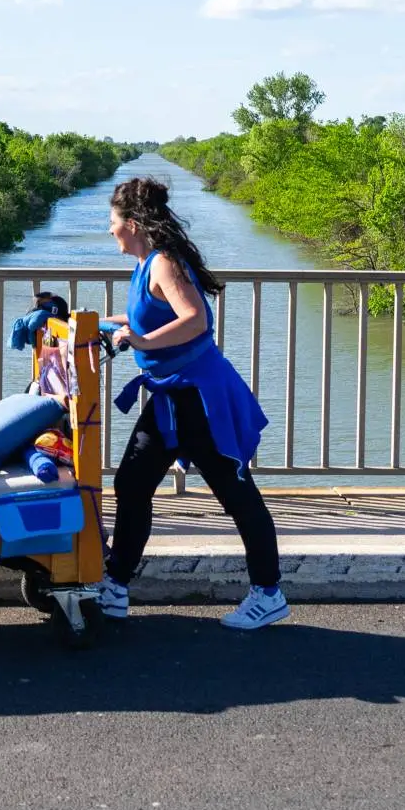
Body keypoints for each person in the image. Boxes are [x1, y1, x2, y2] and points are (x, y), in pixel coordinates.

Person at [99, 176, 287, 630]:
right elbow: (147, 316)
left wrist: (141, 341)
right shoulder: (146, 263)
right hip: (172, 398)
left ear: (132, 224)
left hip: (199, 399)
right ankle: (115, 585)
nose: (110, 229)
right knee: (132, 484)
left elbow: (194, 319)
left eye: (113, 221)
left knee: (236, 495)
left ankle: (269, 593)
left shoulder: (164, 262)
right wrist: (96, 323)